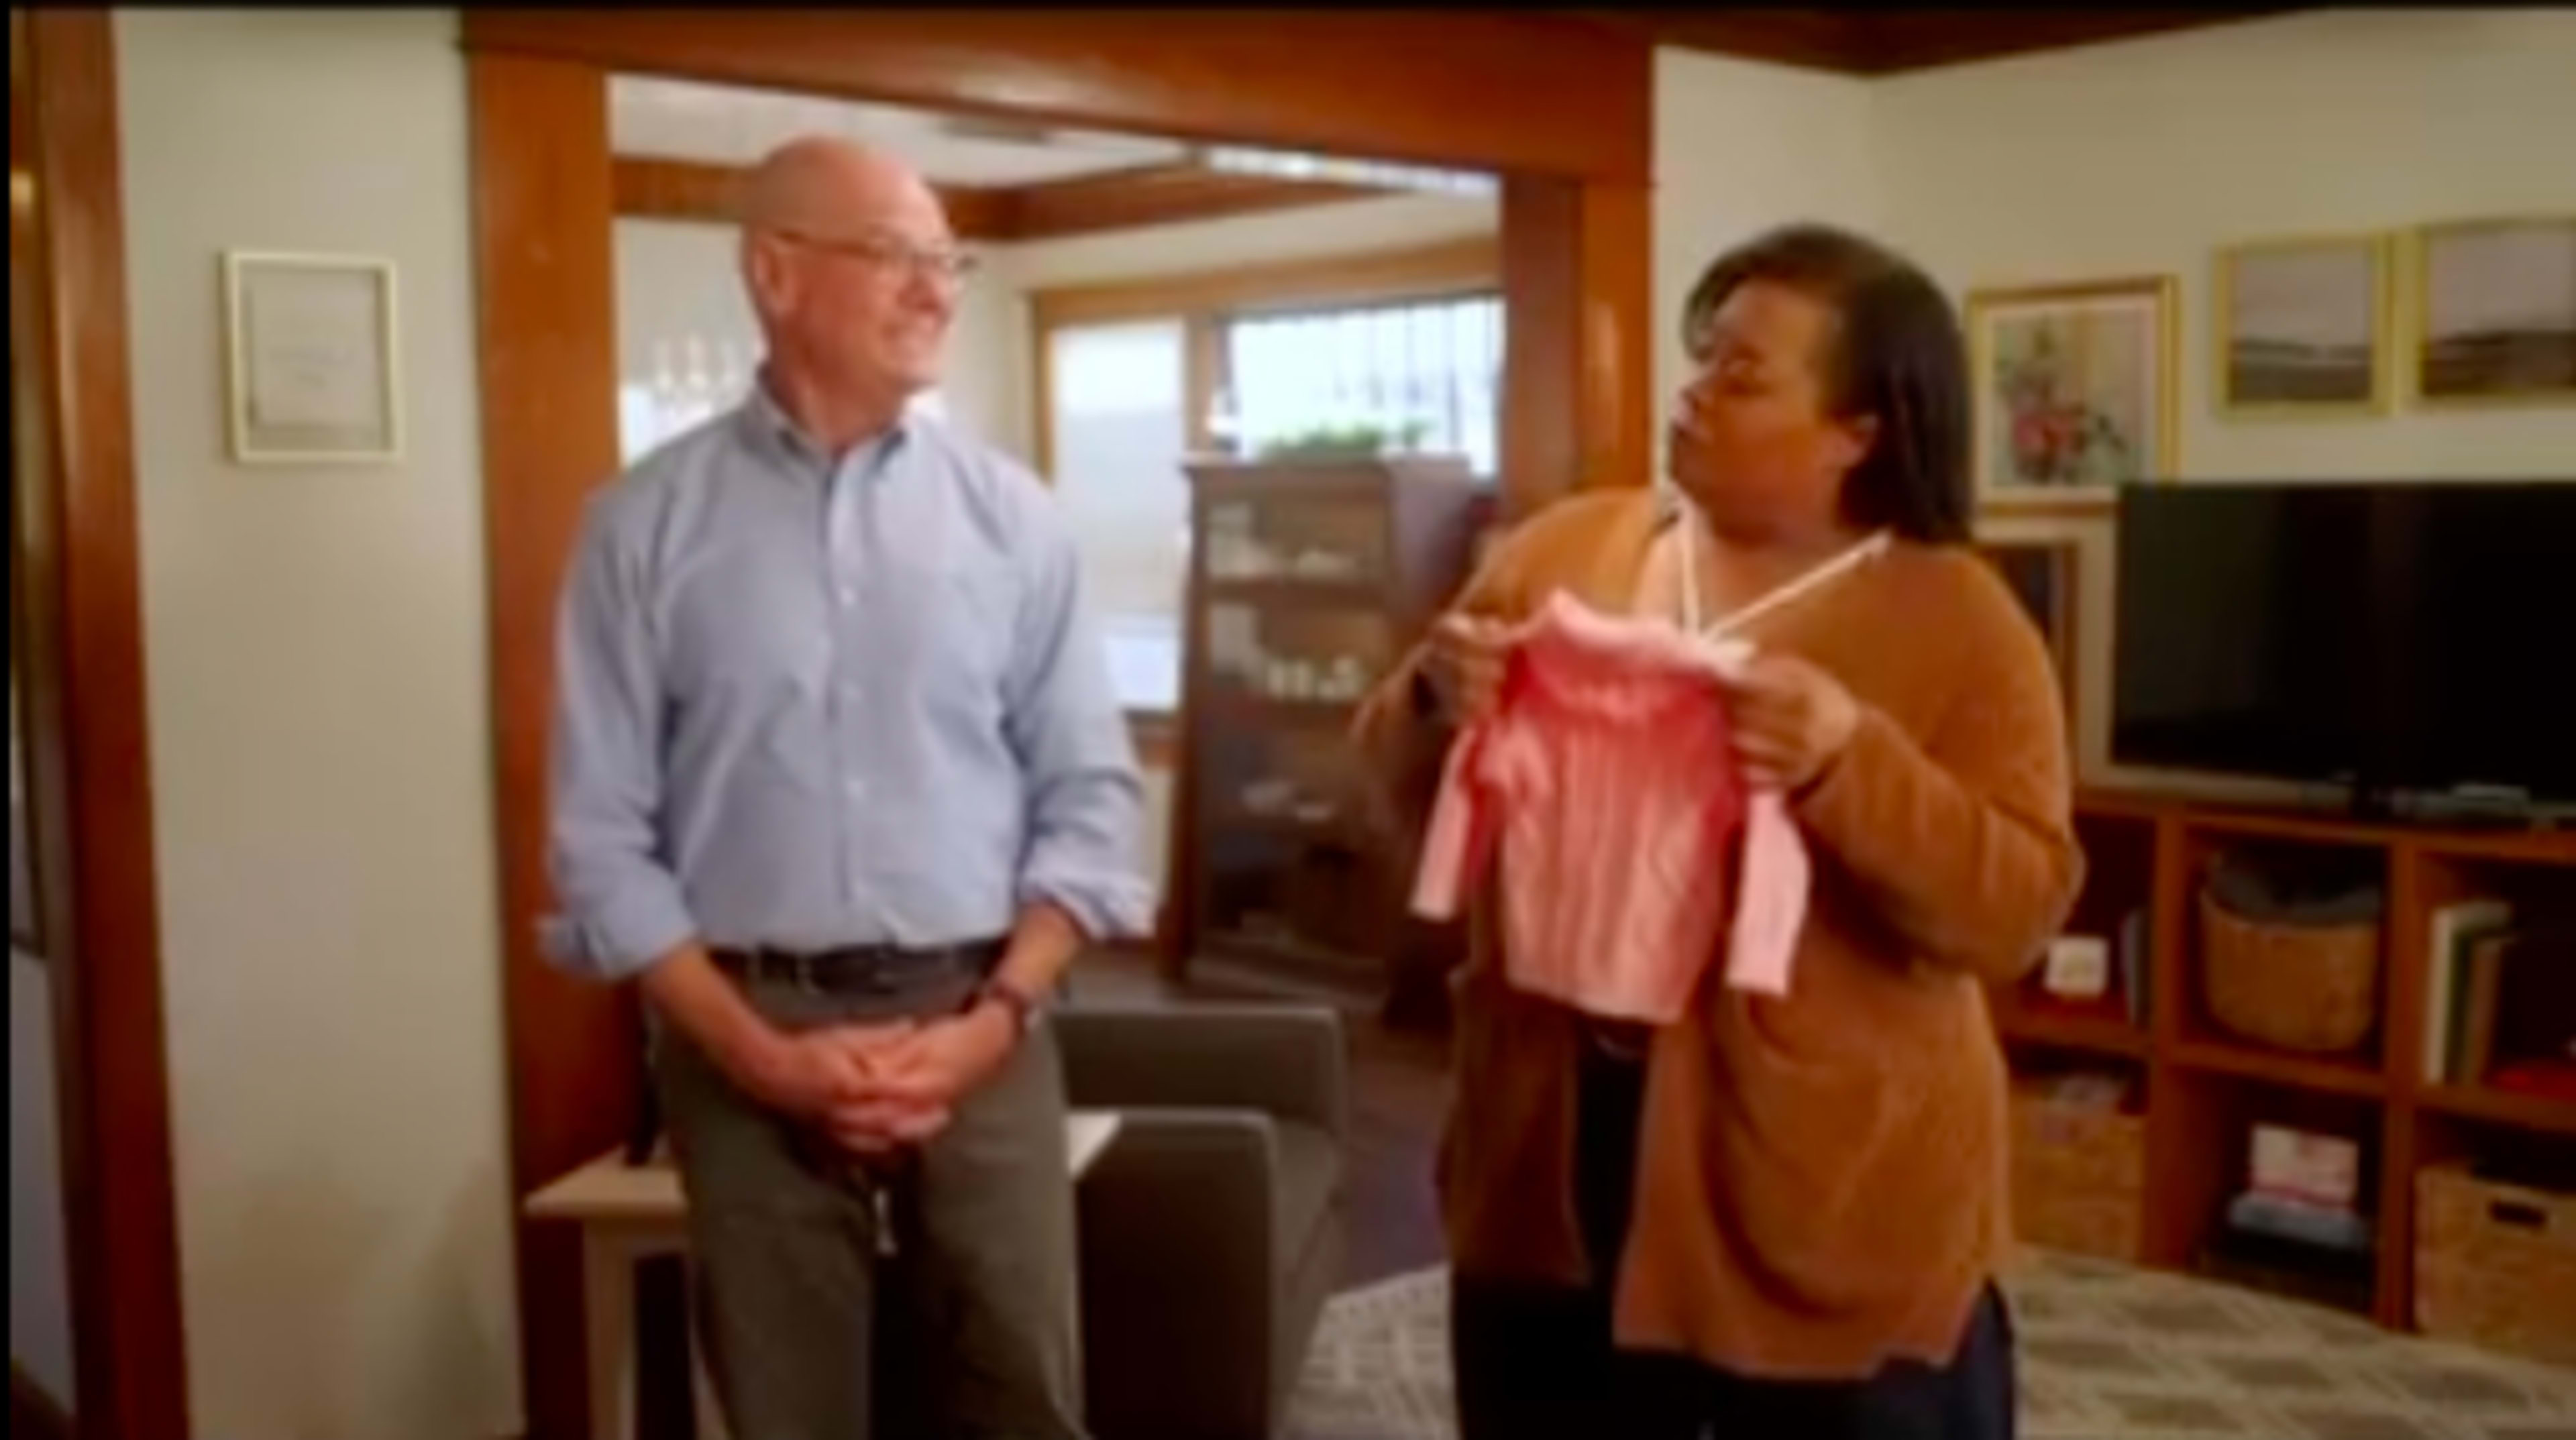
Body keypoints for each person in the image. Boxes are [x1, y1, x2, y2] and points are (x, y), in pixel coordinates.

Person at [1354, 222, 2084, 1439]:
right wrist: (1433, 702)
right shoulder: (1565, 553)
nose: (1690, 395)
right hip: (1553, 1139)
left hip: (1822, 1175)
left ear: (1863, 431)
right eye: (1701, 361)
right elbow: (1387, 787)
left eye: (1742, 375)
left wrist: (1849, 760)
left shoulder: (1959, 618)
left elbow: (2014, 911)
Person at [543, 135, 1150, 1440]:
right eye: (895, 254)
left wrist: (990, 1022)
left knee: (1021, 1397)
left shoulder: (1014, 518)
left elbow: (1090, 799)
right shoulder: (642, 526)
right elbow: (600, 842)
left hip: (982, 1012)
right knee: (787, 1412)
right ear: (775, 272)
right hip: (738, 1021)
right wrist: (757, 1053)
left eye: (949, 260)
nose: (935, 289)